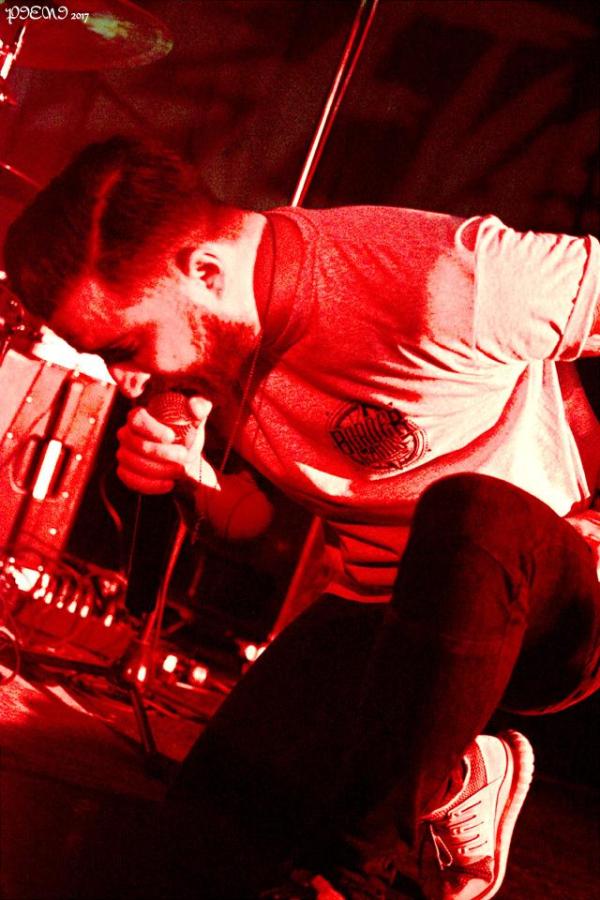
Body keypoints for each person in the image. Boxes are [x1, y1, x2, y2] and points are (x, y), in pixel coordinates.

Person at [4, 136, 599, 900]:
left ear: (205, 271)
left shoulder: (440, 274)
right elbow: (250, 523)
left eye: (124, 347)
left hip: (554, 608)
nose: (122, 378)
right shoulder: (213, 345)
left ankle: (359, 866)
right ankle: (449, 777)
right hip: (384, 620)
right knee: (191, 842)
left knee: (469, 510)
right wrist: (190, 481)